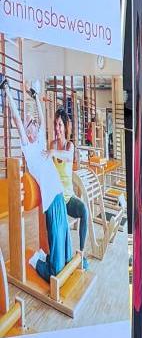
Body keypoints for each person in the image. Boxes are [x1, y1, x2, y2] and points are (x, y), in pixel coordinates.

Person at [4, 89, 75, 281]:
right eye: (31, 123)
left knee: (67, 253)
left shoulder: (42, 142)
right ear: (27, 131)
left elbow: (42, 118)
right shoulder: (29, 148)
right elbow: (18, 121)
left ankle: (49, 257)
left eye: (34, 123)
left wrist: (35, 98)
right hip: (51, 203)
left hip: (59, 196)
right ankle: (36, 260)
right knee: (57, 269)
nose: (34, 124)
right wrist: (7, 91)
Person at [49, 109, 90, 268]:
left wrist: (52, 152)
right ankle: (61, 256)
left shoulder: (69, 146)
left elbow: (67, 157)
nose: (57, 128)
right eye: (55, 125)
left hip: (68, 198)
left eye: (60, 124)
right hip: (57, 199)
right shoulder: (52, 144)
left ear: (65, 126)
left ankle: (81, 253)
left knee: (84, 211)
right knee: (62, 227)